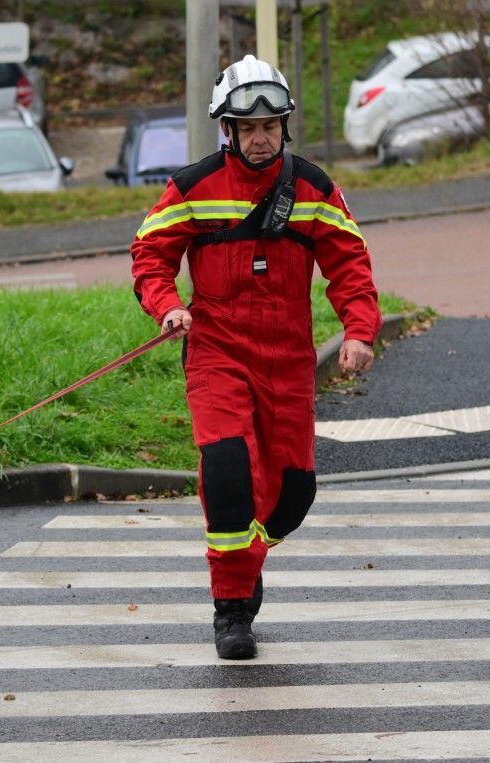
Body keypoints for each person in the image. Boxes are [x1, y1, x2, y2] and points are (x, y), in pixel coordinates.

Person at [130, 54, 381, 659]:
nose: (261, 137)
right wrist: (168, 306)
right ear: (229, 130)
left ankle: (249, 558)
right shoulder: (192, 187)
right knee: (228, 474)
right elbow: (150, 256)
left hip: (289, 361)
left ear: (284, 126)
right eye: (248, 128)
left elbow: (350, 264)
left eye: (270, 126)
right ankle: (233, 610)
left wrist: (359, 331)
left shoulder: (315, 188)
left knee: (294, 495)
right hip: (216, 351)